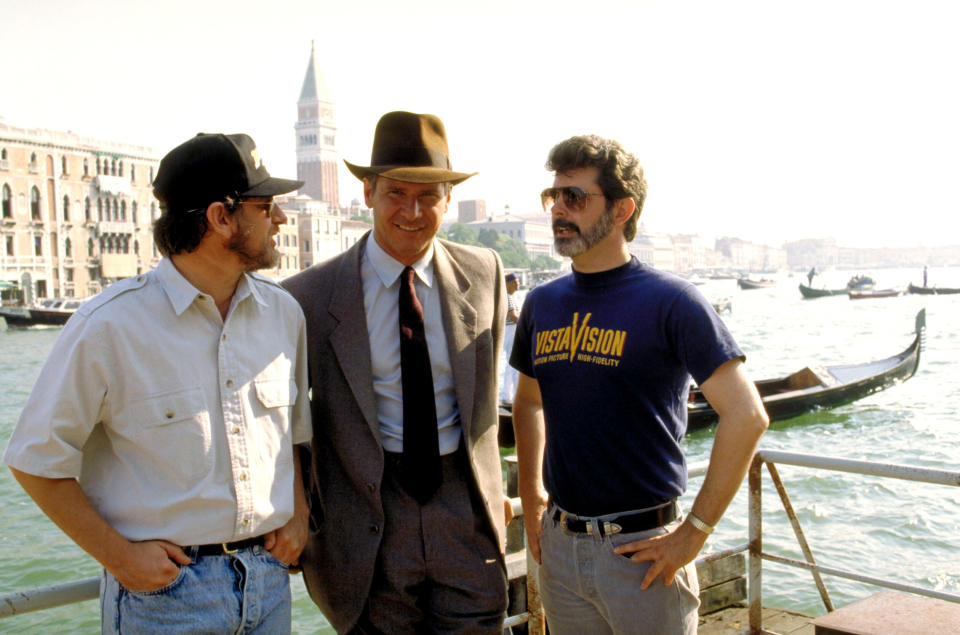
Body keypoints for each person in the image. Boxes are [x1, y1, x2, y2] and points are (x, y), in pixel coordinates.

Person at [3, 133, 311, 633]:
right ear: (220, 217)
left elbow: (291, 435)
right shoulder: (108, 325)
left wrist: (298, 516)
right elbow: (35, 461)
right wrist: (121, 558)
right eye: (266, 205)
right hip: (165, 596)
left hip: (270, 581)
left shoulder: (284, 315)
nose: (279, 219)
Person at [511, 134, 769, 634]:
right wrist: (532, 495)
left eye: (575, 198)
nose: (559, 211)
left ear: (623, 208)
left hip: (644, 554)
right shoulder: (541, 305)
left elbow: (747, 415)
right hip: (560, 548)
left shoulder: (673, 302)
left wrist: (693, 533)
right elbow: (528, 402)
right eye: (554, 196)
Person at [283, 111, 508, 633]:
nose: (412, 211)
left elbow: (490, 397)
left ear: (448, 199)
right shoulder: (308, 298)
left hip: (467, 517)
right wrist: (301, 516)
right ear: (367, 193)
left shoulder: (486, 272)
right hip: (366, 526)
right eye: (396, 193)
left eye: (429, 195)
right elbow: (289, 425)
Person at [500, 272, 521, 404]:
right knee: (512, 363)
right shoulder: (507, 297)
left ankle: (509, 395)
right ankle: (508, 396)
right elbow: (513, 317)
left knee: (512, 363)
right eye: (514, 282)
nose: (517, 285)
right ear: (507, 284)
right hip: (510, 331)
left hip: (511, 331)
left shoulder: (511, 297)